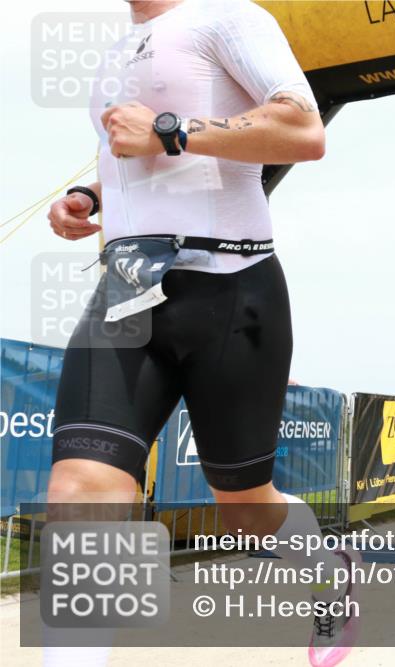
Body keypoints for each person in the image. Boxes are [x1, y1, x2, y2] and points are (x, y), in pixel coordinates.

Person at [43, 2, 355, 666]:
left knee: (242, 507)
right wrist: (92, 199)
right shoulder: (119, 50)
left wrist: (168, 129)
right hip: (129, 290)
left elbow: (302, 128)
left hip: (233, 286)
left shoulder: (229, 17)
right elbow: (145, 157)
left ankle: (330, 572)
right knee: (82, 487)